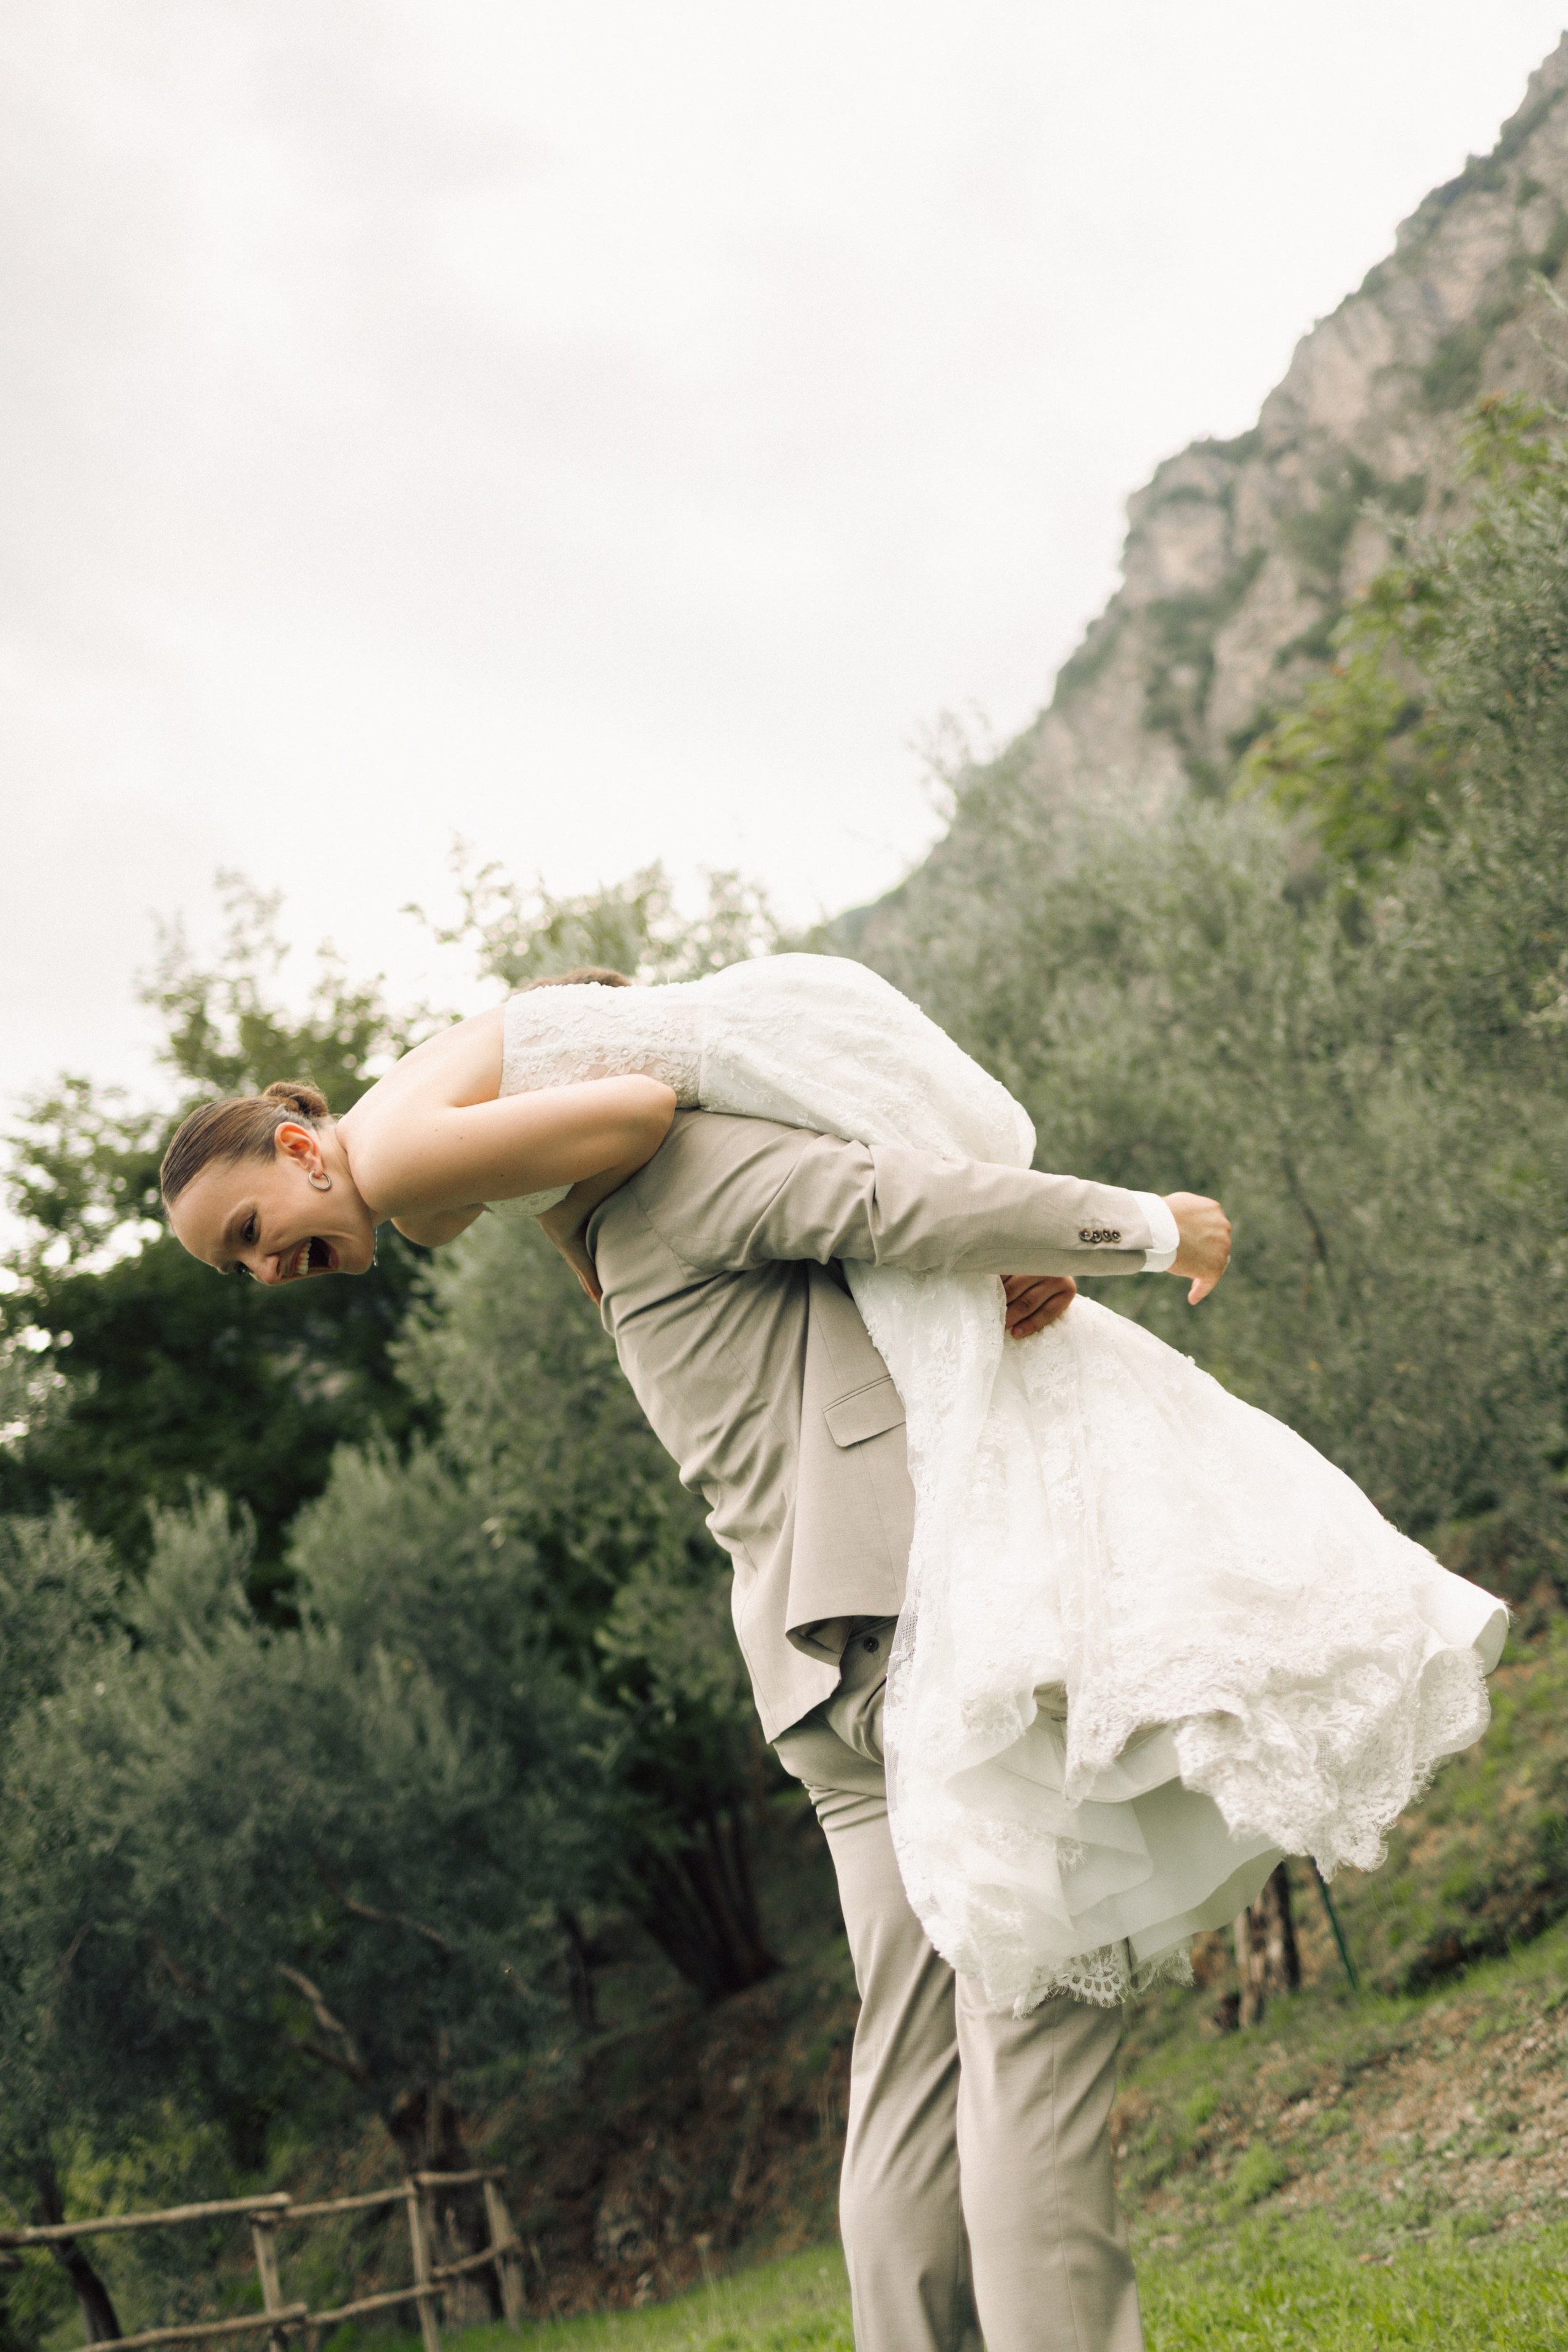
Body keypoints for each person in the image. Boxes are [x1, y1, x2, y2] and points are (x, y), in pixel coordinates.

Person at [165, 953, 1505, 2352]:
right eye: (240, 1262)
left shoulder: (598, 1242)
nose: (267, 1271)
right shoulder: (671, 1171)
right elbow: (879, 1197)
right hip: (910, 1652)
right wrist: (1143, 1227)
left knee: (915, 2063)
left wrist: (989, 1274)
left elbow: (868, 1272)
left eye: (253, 1232)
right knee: (1031, 2032)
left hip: (812, 1681)